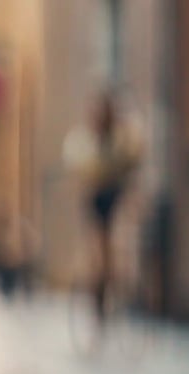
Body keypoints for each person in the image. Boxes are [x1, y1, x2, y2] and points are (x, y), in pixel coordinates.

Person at [63, 90, 145, 323]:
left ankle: (116, 285)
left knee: (116, 244)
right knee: (97, 251)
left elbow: (132, 162)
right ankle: (98, 293)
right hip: (97, 199)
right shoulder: (88, 140)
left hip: (114, 196)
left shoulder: (121, 138)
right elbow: (78, 166)